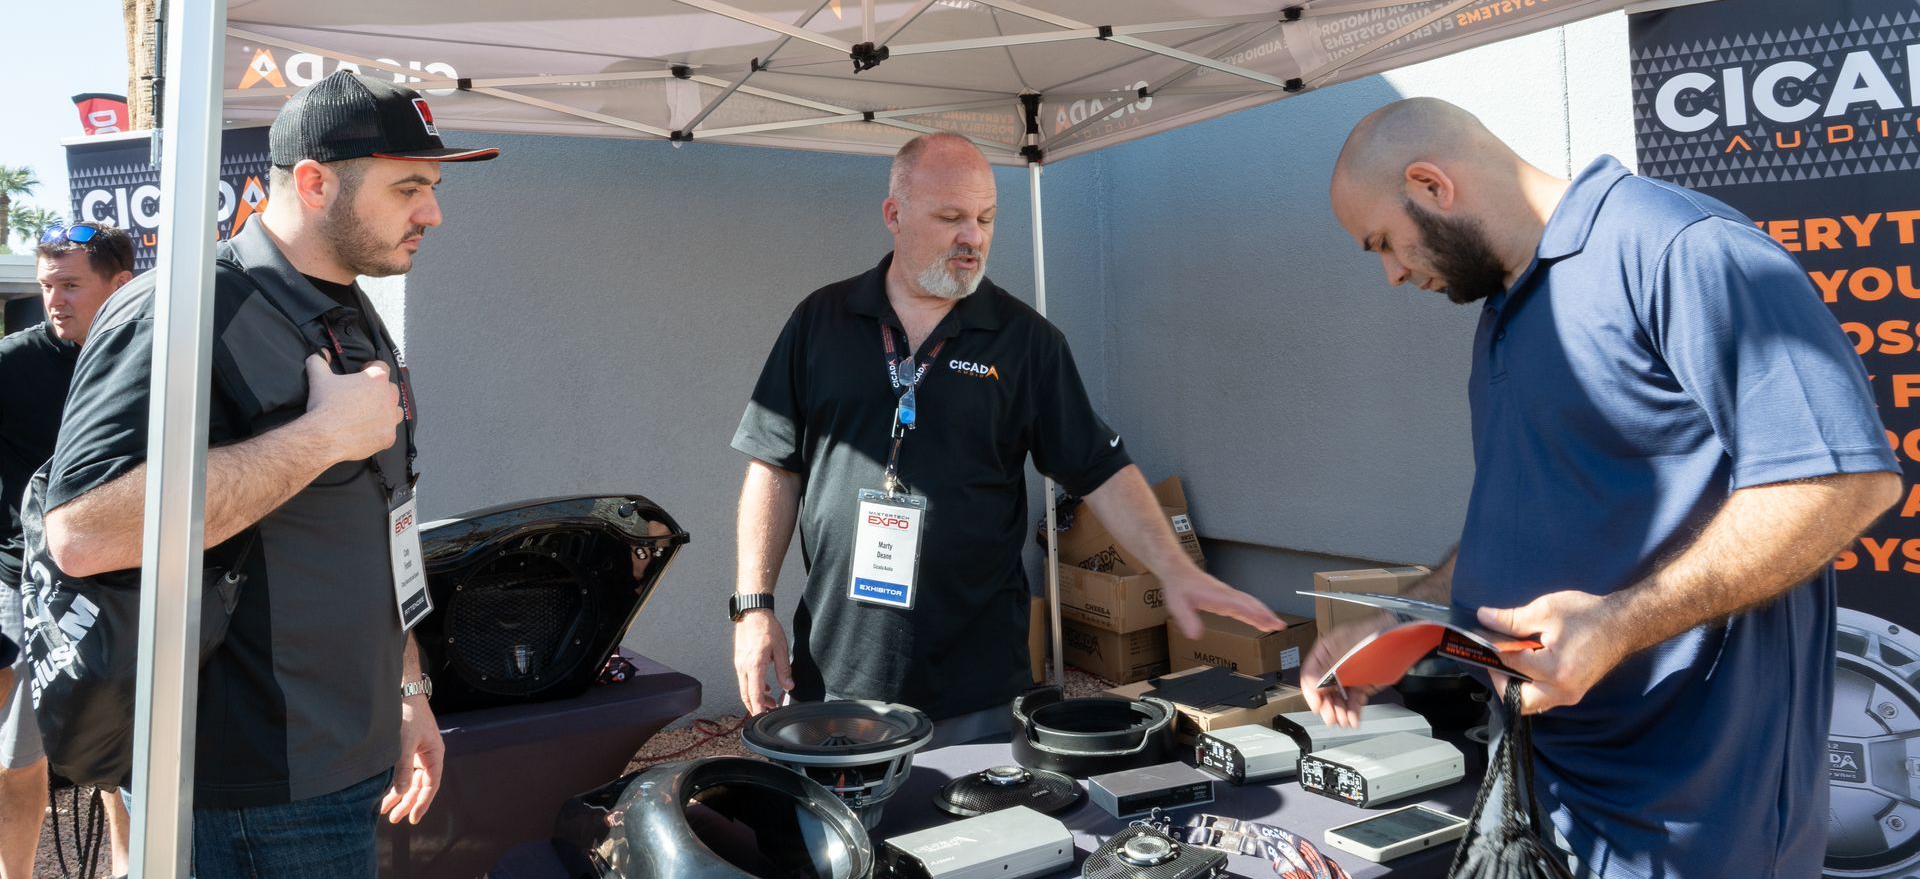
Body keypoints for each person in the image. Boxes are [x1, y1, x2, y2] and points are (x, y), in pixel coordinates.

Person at [1309, 96, 1900, 879]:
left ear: (1430, 185)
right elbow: (1541, 509)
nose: (1391, 273)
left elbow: (1844, 480)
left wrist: (1618, 625)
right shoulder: (1508, 306)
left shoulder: (1681, 248)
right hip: (1552, 791)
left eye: (1384, 242)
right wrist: (1403, 621)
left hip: (1694, 816)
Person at [42, 72, 498, 878]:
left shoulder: (354, 312)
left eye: (430, 187)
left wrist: (409, 692)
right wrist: (316, 440)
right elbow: (81, 533)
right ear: (316, 182)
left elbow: (378, 520)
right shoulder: (184, 306)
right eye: (409, 188)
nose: (432, 212)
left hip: (348, 757)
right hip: (246, 791)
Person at [730, 132, 1280, 742]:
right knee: (839, 834)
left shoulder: (1026, 342)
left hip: (977, 683)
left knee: (975, 833)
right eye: (951, 218)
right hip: (835, 668)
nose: (973, 237)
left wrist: (1173, 569)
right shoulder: (821, 320)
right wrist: (754, 607)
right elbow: (774, 465)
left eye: (986, 218)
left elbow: (1097, 467)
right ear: (894, 214)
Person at [0, 225, 136, 879]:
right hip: (26, 587)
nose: (53, 298)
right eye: (46, 284)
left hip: (123, 585)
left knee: (120, 750)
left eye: (70, 285)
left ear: (120, 286)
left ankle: (129, 870)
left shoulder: (149, 360)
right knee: (20, 753)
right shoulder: (13, 363)